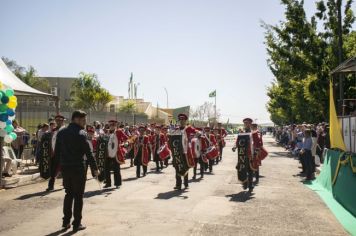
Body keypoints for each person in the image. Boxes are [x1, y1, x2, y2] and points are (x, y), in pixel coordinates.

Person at [55, 110, 98, 232]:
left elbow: (57, 152)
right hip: (78, 168)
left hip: (65, 168)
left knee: (68, 194)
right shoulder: (81, 133)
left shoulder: (61, 132)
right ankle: (77, 223)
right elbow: (88, 153)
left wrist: (57, 169)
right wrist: (95, 168)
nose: (85, 122)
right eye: (83, 120)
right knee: (78, 196)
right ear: (76, 119)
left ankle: (66, 221)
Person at [173, 113, 196, 190]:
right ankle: (178, 184)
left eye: (183, 120)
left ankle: (186, 184)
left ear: (185, 120)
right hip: (178, 152)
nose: (181, 121)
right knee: (177, 167)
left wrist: (198, 134)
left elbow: (196, 132)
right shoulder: (176, 129)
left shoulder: (189, 128)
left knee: (186, 167)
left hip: (186, 151)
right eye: (180, 120)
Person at [46, 114, 66, 192]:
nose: (58, 122)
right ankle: (51, 186)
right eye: (57, 120)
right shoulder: (53, 130)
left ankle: (65, 183)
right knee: (53, 170)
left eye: (60, 121)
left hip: (63, 153)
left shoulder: (65, 130)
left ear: (63, 121)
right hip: (54, 153)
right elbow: (52, 141)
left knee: (64, 169)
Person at [104, 120, 123, 188]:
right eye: (110, 125)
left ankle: (117, 183)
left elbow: (126, 138)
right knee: (106, 168)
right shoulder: (107, 132)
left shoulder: (119, 131)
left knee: (116, 168)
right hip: (108, 153)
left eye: (113, 125)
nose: (112, 126)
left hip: (116, 152)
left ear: (115, 125)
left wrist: (126, 143)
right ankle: (108, 183)